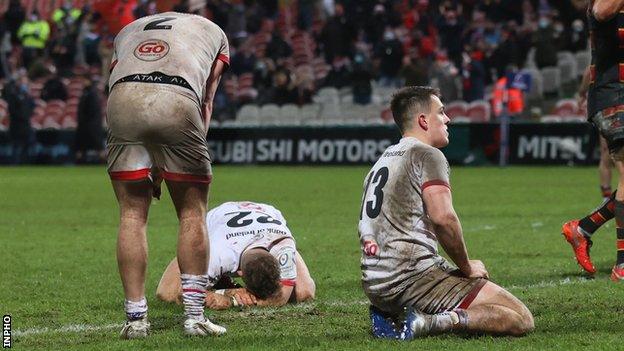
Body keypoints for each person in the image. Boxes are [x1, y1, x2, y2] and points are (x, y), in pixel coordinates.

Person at [359, 86, 534, 339]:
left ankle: (390, 311)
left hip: (375, 283)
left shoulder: (383, 159)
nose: (448, 118)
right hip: (410, 278)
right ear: (423, 120)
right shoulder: (428, 155)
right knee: (519, 317)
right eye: (441, 112)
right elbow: (443, 219)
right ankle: (430, 322)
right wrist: (466, 266)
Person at [106, 11, 229, 339]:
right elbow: (207, 100)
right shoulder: (214, 31)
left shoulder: (129, 29)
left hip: (121, 99)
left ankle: (135, 319)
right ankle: (194, 317)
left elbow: (114, 77)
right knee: (192, 211)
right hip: (177, 97)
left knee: (131, 215)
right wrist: (180, 159)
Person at [562, 0, 624, 280]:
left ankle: (583, 228)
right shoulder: (603, 6)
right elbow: (601, 11)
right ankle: (622, 265)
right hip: (614, 98)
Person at [156, 201, 316, 309]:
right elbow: (176, 293)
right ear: (239, 272)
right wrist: (223, 293)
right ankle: (215, 278)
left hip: (265, 214)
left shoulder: (282, 244)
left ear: (277, 262)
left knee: (304, 292)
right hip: (220, 219)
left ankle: (218, 282)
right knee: (167, 292)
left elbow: (283, 295)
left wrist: (232, 301)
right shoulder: (218, 253)